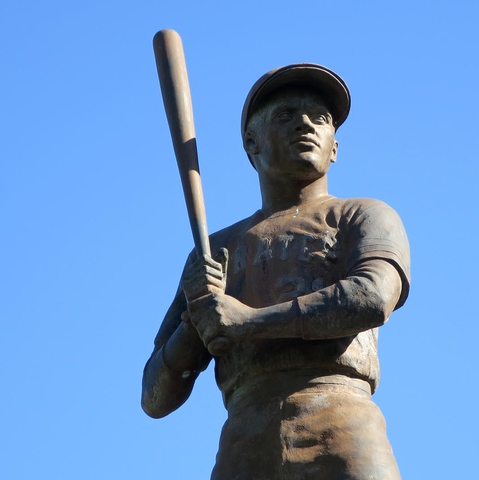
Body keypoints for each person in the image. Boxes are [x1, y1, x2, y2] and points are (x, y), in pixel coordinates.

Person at [142, 64, 411, 480]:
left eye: (319, 117)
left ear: (335, 146)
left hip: (343, 426)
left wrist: (247, 322)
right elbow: (155, 396)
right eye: (285, 115)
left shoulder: (363, 216)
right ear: (252, 142)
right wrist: (196, 319)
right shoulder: (215, 252)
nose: (306, 124)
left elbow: (371, 298)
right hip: (244, 443)